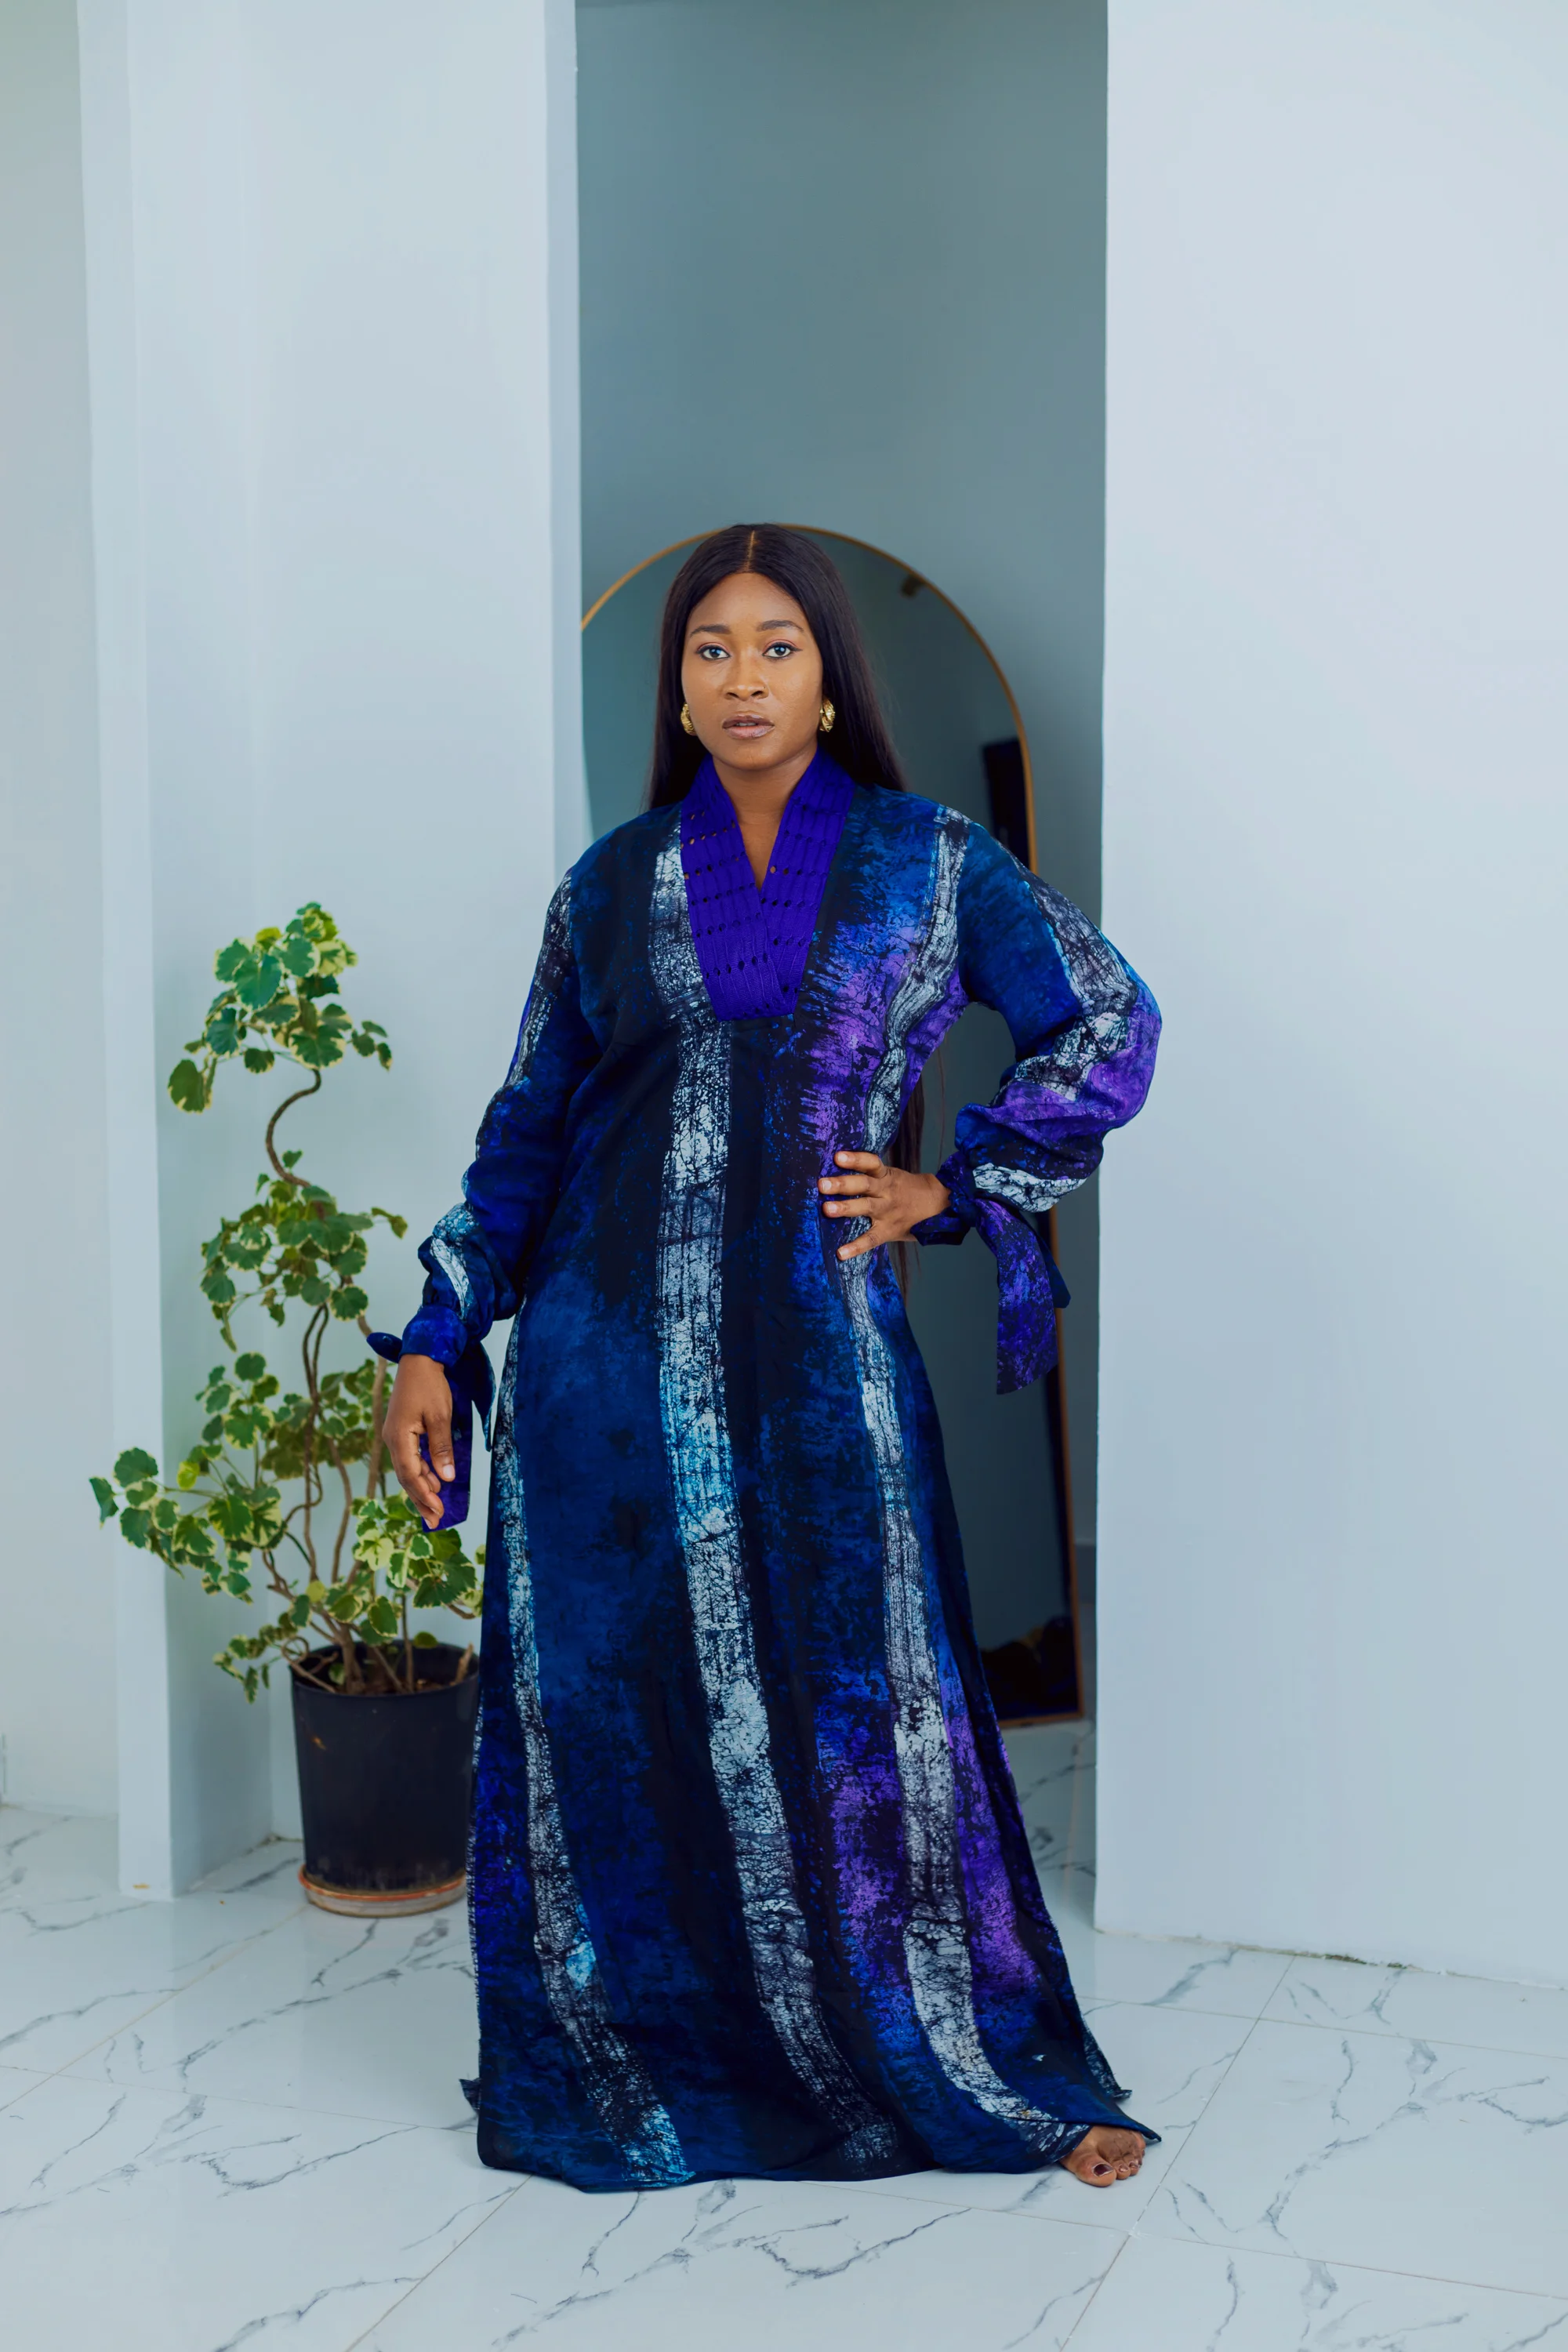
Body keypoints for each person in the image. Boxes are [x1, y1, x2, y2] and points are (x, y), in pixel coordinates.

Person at [383, 524, 1161, 2191]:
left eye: (777, 646)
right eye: (711, 650)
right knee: (621, 1727)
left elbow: (1104, 1018)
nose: (743, 678)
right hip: (598, 1379)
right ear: (678, 688)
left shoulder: (928, 864)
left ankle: (941, 2058)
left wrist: (962, 1185)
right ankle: (647, 2074)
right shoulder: (606, 888)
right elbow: (527, 1135)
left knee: (869, 1714)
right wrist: (440, 1334)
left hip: (822, 1375)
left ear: (828, 679)